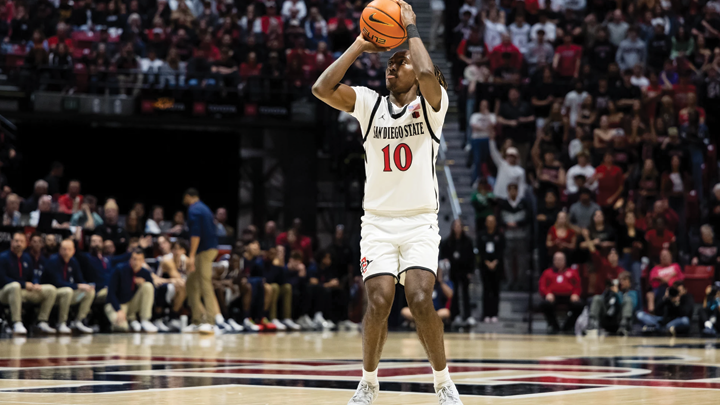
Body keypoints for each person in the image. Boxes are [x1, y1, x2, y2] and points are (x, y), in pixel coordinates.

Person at [311, 1, 462, 402]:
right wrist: (361, 44)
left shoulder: (434, 105)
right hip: (377, 222)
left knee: (419, 297)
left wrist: (411, 29)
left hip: (419, 222)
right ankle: (369, 381)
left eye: (401, 62)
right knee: (377, 302)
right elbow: (321, 88)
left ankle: (443, 382)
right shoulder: (368, 103)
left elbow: (428, 71)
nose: (392, 66)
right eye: (390, 62)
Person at [182, 188, 225, 334]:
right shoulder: (205, 208)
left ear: (188, 197)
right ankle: (197, 320)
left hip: (203, 251)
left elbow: (195, 233)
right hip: (210, 248)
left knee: (205, 282)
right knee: (191, 283)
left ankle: (210, 322)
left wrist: (192, 255)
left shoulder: (194, 209)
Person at [0, 233, 57, 335]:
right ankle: (16, 322)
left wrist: (35, 283)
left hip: (24, 292)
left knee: (50, 289)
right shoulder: (3, 257)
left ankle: (42, 321)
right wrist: (23, 284)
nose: (19, 244)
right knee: (15, 286)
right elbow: (2, 279)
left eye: (21, 241)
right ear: (11, 242)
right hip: (5, 293)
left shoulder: (26, 258)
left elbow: (33, 275)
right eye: (16, 241)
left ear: (26, 244)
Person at [43, 239, 95, 334]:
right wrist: (78, 286)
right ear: (59, 250)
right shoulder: (53, 261)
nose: (66, 252)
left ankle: (79, 321)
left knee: (88, 292)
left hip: (69, 295)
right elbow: (57, 283)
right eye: (64, 249)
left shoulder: (73, 262)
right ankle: (62, 322)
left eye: (69, 249)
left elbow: (80, 279)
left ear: (73, 251)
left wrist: (86, 286)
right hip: (54, 295)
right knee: (67, 291)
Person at [105, 249, 158, 333]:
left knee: (148, 286)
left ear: (143, 261)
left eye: (139, 259)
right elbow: (111, 293)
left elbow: (153, 293)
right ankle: (129, 320)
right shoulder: (119, 269)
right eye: (134, 259)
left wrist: (141, 284)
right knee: (121, 327)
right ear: (130, 259)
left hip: (132, 303)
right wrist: (118, 310)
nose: (136, 262)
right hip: (117, 304)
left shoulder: (145, 273)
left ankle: (144, 320)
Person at [538, 252, 584, 334]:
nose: (558, 261)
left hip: (569, 297)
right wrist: (547, 293)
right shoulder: (547, 272)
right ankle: (554, 326)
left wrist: (575, 294)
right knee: (544, 304)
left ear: (565, 261)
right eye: (557, 259)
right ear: (553, 261)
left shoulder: (572, 272)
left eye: (560, 259)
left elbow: (578, 285)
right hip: (553, 297)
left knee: (579, 305)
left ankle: (568, 326)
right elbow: (542, 286)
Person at [441, 219, 475, 327]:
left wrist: (470, 271)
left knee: (465, 294)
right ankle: (455, 315)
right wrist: (445, 261)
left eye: (459, 226)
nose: (457, 228)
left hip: (464, 271)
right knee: (454, 295)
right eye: (455, 226)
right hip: (453, 273)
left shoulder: (468, 241)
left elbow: (472, 257)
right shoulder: (447, 242)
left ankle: (467, 316)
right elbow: (442, 256)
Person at [586, 270, 638, 336]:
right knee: (597, 298)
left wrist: (617, 293)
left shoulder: (632, 293)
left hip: (620, 321)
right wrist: (607, 291)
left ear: (630, 281)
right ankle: (592, 324)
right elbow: (603, 301)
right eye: (621, 280)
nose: (622, 282)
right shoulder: (616, 291)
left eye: (625, 279)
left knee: (627, 300)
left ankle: (624, 327)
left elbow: (632, 305)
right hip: (608, 317)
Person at [499, 183, 530, 291]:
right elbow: (500, 219)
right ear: (508, 191)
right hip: (508, 236)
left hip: (521, 235)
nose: (513, 192)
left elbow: (528, 218)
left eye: (515, 190)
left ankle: (521, 282)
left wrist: (517, 224)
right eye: (511, 190)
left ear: (517, 191)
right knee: (508, 260)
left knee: (522, 259)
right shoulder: (503, 204)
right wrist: (507, 224)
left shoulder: (523, 203)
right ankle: (510, 281)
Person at [478, 215, 503, 323]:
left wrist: (495, 261)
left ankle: (494, 314)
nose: (490, 223)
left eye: (492, 221)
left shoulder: (499, 235)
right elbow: (480, 250)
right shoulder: (482, 235)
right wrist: (487, 262)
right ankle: (486, 314)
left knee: (495, 291)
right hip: (485, 266)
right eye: (488, 221)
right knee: (486, 290)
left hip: (497, 267)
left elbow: (502, 250)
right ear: (486, 223)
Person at [488, 134, 526, 200]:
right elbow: (493, 152)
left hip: (511, 198)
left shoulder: (520, 171)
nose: (511, 158)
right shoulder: (502, 164)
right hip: (498, 195)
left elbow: (521, 186)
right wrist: (491, 140)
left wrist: (520, 198)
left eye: (512, 156)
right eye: (509, 156)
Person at [646, 249, 684, 313]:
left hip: (674, 288)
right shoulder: (655, 269)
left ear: (670, 257)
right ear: (660, 258)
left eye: (666, 255)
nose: (664, 257)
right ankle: (651, 314)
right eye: (662, 255)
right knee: (650, 294)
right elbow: (654, 283)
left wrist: (662, 279)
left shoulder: (675, 266)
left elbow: (681, 280)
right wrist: (670, 276)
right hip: (660, 289)